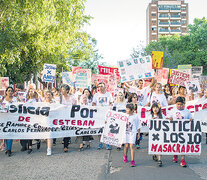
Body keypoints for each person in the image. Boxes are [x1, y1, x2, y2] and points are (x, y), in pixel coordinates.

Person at [167, 96, 193, 167]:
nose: (179, 106)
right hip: (174, 131)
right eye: (178, 104)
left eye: (181, 104)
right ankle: (175, 155)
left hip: (183, 132)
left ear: (184, 104)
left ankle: (182, 159)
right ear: (176, 104)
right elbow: (168, 117)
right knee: (175, 144)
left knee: (182, 144)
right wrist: (170, 118)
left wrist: (191, 119)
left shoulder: (187, 111)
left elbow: (191, 117)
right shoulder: (173, 110)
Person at [92, 82, 113, 150]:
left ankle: (107, 143)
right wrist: (96, 108)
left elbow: (111, 102)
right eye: (99, 86)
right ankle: (100, 143)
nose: (100, 88)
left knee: (107, 129)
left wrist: (109, 108)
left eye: (102, 86)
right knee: (100, 129)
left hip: (107, 114)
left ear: (105, 87)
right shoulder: (96, 95)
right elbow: (93, 103)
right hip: (99, 114)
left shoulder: (108, 94)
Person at [60, 84, 77, 152]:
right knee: (63, 130)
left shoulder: (72, 98)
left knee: (67, 130)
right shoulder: (60, 97)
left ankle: (65, 146)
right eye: (61, 89)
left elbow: (76, 106)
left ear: (67, 90)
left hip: (69, 116)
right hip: (61, 116)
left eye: (63, 89)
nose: (62, 90)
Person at [148, 103, 165, 167]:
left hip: (160, 133)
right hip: (153, 134)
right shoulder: (150, 116)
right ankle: (154, 154)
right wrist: (152, 120)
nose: (155, 109)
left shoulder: (162, 115)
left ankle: (159, 159)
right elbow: (148, 124)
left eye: (157, 108)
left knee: (159, 145)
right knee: (154, 145)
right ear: (152, 109)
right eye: (154, 108)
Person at [2, 87, 17, 156]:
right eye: (9, 91)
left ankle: (9, 150)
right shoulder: (3, 100)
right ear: (6, 92)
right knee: (6, 134)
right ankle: (7, 148)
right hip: (4, 119)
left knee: (10, 134)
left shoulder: (15, 99)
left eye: (11, 91)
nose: (10, 92)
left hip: (13, 119)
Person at [26, 88, 41, 154]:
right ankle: (30, 147)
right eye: (29, 91)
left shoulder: (37, 100)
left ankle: (38, 140)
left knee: (35, 132)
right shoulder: (26, 100)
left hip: (36, 117)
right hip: (29, 118)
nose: (31, 93)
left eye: (32, 91)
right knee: (29, 132)